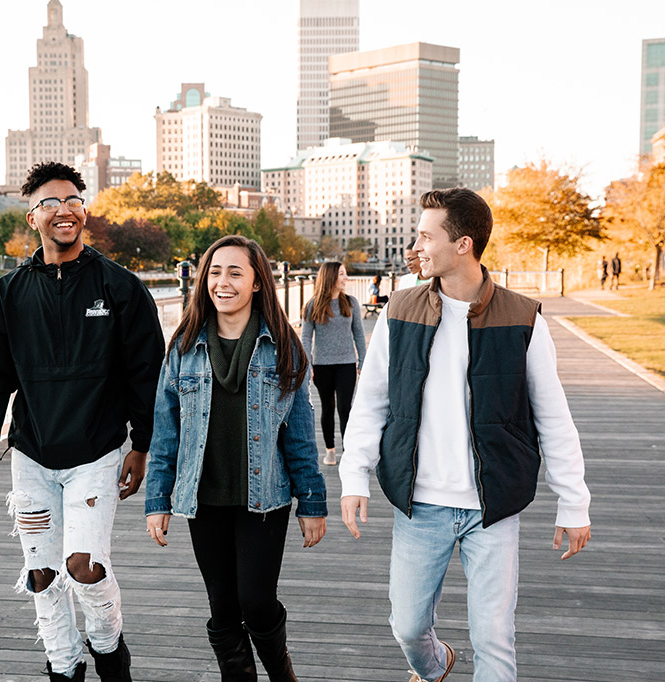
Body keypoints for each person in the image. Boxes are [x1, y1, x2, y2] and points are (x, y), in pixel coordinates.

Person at [340, 188, 591, 682]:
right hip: (419, 503)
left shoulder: (523, 319)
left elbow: (553, 417)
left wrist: (573, 502)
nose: (417, 246)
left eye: (426, 236)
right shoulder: (399, 311)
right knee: (408, 627)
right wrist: (354, 476)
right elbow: (370, 402)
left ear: (463, 245)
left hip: (492, 506)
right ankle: (435, 666)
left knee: (494, 637)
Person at [0, 161, 165, 682]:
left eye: (73, 201)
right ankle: (62, 667)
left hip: (96, 454)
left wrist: (141, 446)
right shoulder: (10, 293)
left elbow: (148, 373)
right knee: (42, 574)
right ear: (32, 217)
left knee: (83, 568)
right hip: (31, 456)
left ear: (85, 211)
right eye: (50, 203)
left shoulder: (120, 288)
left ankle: (108, 649)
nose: (64, 211)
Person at [145, 235, 328, 682]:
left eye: (234, 272)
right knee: (222, 605)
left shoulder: (283, 347)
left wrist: (313, 502)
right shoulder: (183, 348)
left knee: (256, 601)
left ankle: (281, 673)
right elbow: (165, 433)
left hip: (263, 499)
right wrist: (157, 499)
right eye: (214, 272)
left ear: (257, 283)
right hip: (202, 498)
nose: (221, 282)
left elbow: (300, 435)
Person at [301, 261, 366, 465]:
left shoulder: (352, 303)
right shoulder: (313, 305)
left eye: (345, 274)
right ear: (330, 277)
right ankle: (330, 450)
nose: (346, 278)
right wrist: (308, 365)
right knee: (327, 408)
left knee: (346, 408)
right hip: (322, 366)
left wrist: (363, 361)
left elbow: (359, 335)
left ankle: (348, 451)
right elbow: (305, 338)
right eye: (342, 274)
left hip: (347, 363)